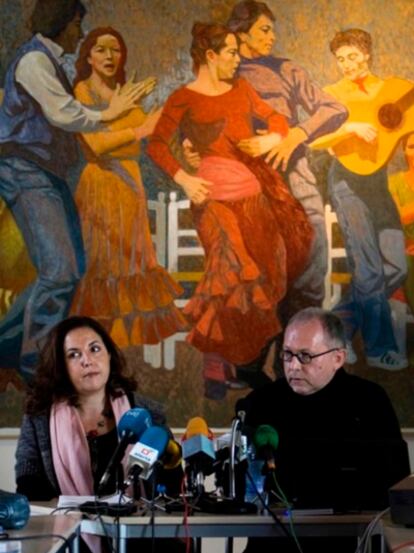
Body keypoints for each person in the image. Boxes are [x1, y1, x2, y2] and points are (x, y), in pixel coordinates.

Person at [147, 22, 313, 399]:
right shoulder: (183, 98)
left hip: (255, 196)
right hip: (213, 199)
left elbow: (274, 118)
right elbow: (157, 145)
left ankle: (247, 363)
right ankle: (220, 363)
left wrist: (273, 135)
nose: (239, 59)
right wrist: (184, 178)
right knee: (230, 273)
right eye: (232, 52)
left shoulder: (241, 89)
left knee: (271, 271)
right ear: (210, 55)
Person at [0, 0, 146, 381]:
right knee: (61, 270)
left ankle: (4, 346)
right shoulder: (34, 61)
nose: (80, 33)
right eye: (77, 24)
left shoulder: (50, 61)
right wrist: (109, 114)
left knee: (71, 268)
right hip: (26, 168)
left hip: (46, 172)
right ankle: (36, 364)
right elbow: (63, 113)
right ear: (60, 22)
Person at [236, 307, 410, 553]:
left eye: (305, 356)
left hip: (350, 543)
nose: (293, 366)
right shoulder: (262, 402)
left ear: (338, 358)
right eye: (287, 355)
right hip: (274, 543)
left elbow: (395, 480)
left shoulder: (369, 401)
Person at [15, 315, 186, 553]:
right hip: (69, 540)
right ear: (61, 367)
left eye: (94, 349)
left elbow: (172, 485)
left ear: (109, 356)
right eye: (73, 354)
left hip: (141, 539)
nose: (87, 360)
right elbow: (29, 489)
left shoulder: (147, 412)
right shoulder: (39, 419)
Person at [227, 0, 348, 317]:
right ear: (241, 33)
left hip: (293, 168)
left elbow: (335, 109)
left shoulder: (287, 69)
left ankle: (303, 323)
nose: (271, 37)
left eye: (272, 30)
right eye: (264, 30)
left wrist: (295, 134)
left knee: (312, 233)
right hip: (247, 175)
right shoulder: (226, 72)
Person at [69, 27, 187, 348]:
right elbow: (95, 144)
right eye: (102, 49)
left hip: (130, 190)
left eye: (116, 50)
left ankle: (121, 355)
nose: (110, 57)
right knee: (103, 267)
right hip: (102, 188)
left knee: (132, 268)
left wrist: (170, 111)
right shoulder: (83, 91)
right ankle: (95, 346)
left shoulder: (124, 92)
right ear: (88, 56)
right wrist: (141, 129)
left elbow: (150, 128)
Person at [322, 29, 408, 370]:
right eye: (341, 59)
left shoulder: (394, 90)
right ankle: (379, 349)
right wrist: (349, 129)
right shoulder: (332, 94)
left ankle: (336, 328)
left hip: (377, 181)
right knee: (369, 270)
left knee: (396, 266)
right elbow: (320, 140)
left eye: (353, 56)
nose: (347, 65)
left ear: (367, 54)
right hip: (346, 183)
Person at [388, 133, 414, 317]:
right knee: (405, 262)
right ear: (404, 151)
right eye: (412, 146)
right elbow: (396, 217)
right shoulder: (395, 181)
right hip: (403, 246)